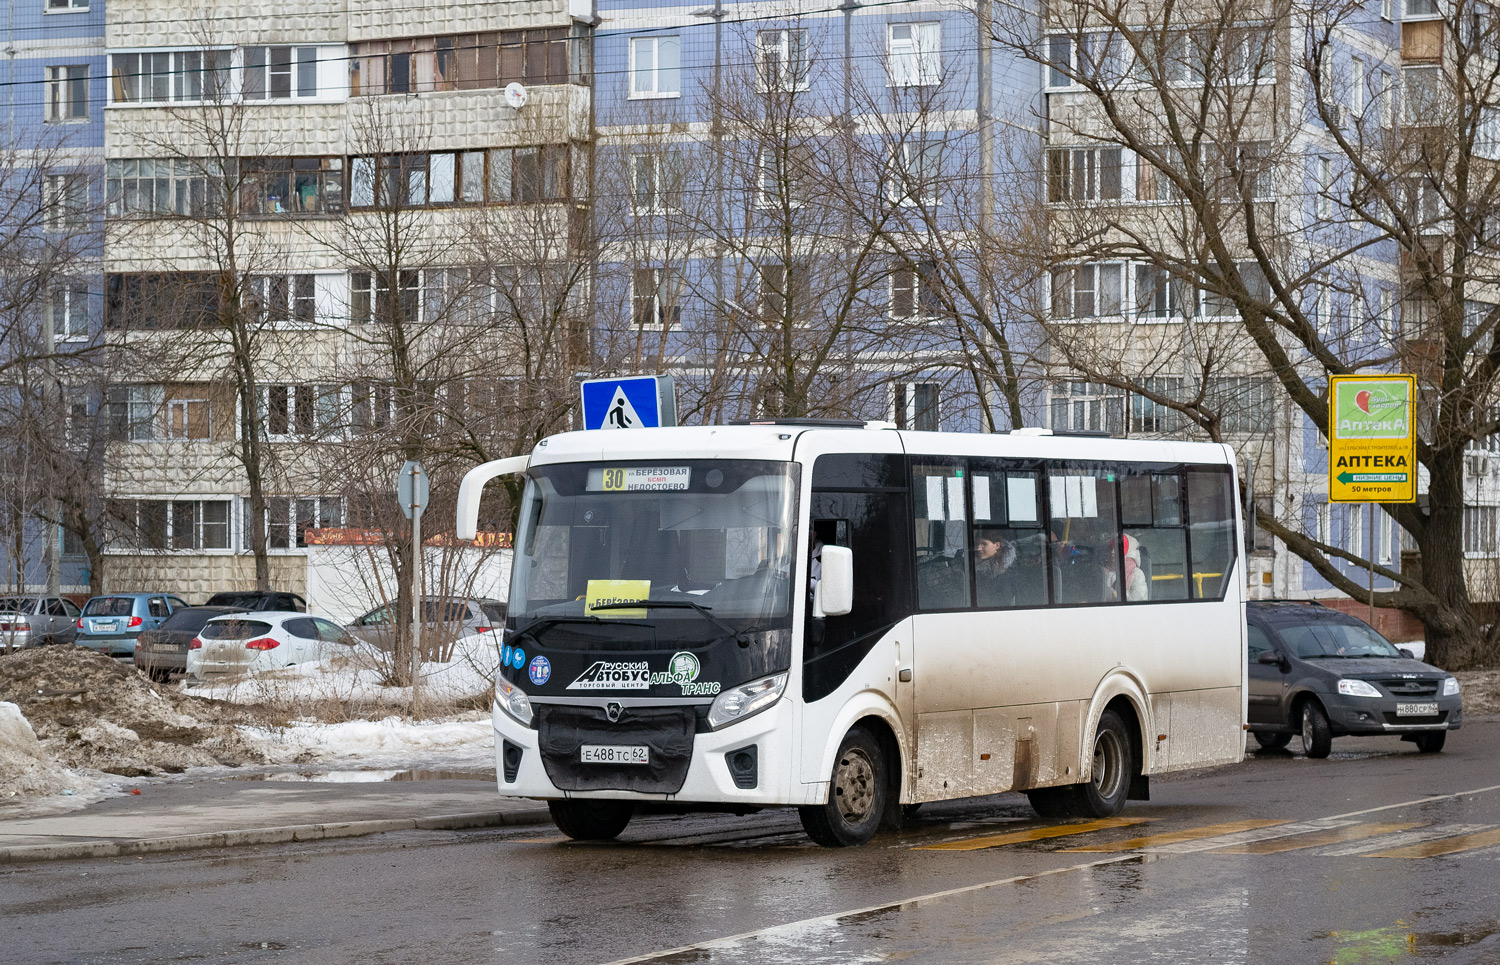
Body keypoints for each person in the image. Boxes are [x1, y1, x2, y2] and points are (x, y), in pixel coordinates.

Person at [974, 527, 1017, 606]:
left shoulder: (1005, 573)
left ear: (997, 545)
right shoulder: (971, 564)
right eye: (977, 544)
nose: (979, 548)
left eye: (984, 544)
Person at [1122, 533, 1149, 602]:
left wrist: (1116, 593)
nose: (1113, 552)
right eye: (1111, 547)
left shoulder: (1137, 574)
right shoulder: (1104, 571)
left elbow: (1138, 600)